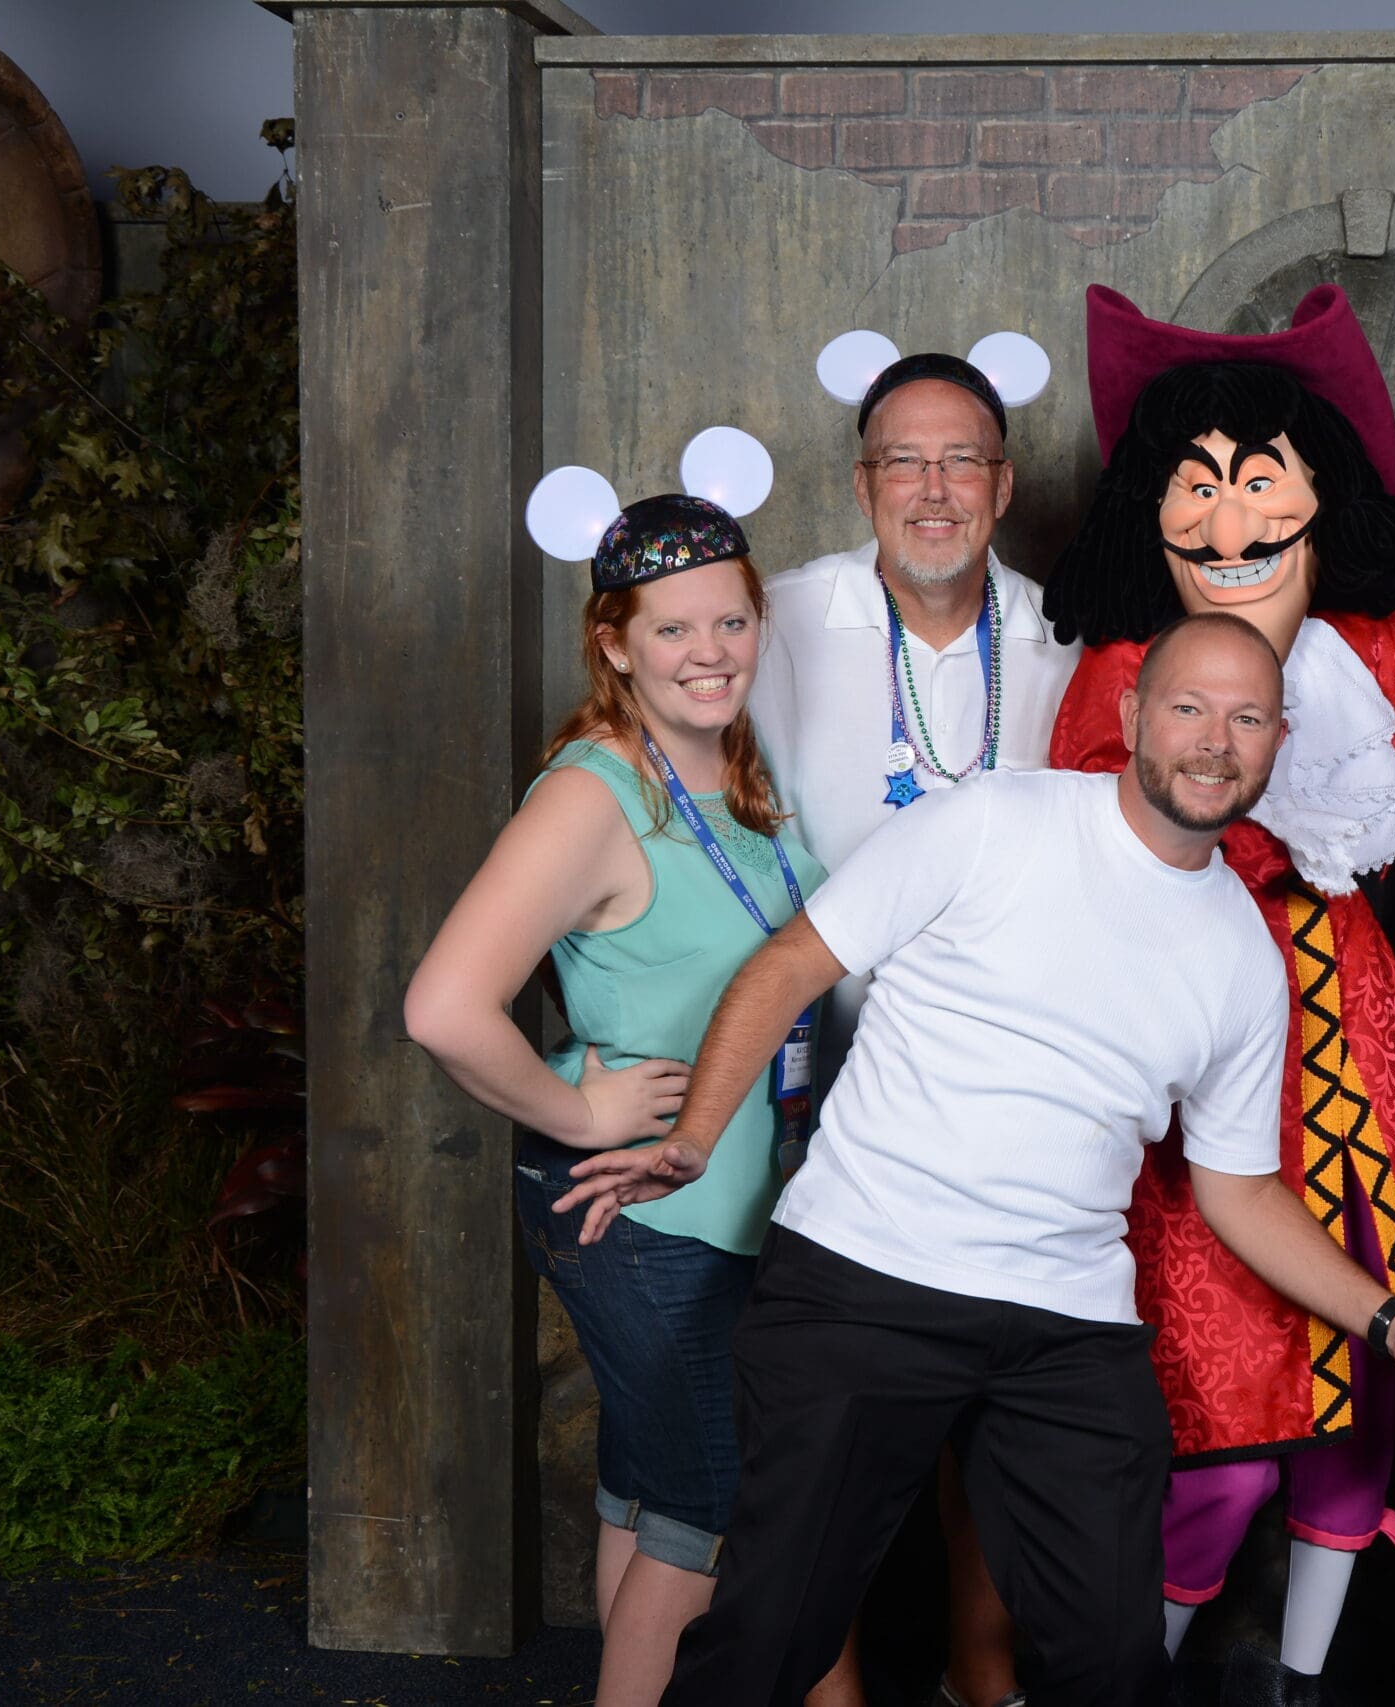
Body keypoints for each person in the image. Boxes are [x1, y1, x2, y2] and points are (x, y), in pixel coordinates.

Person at [554, 615, 1395, 1707]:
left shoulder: (1243, 961)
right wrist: (695, 1136)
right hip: (864, 1280)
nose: (1214, 740)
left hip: (1066, 1327)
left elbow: (1237, 1189)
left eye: (1246, 717)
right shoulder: (991, 820)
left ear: (1277, 742)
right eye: (1188, 707)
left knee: (1112, 1667)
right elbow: (793, 963)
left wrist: (1392, 1323)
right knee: (769, 1636)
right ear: (1129, 717)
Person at [1039, 284, 1395, 1704]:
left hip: (1361, 1048)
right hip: (1198, 1081)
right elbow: (1089, 875)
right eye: (1197, 485)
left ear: (1319, 496)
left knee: (1356, 1416)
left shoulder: (1386, 664)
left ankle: (1304, 1682)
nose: (1230, 519)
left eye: (1258, 483)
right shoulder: (1121, 676)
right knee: (1223, 1421)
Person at [401, 491, 827, 1707]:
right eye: (675, 630)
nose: (710, 654)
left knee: (647, 1488)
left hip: (721, 1204)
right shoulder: (594, 793)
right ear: (615, 643)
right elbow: (442, 1006)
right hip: (649, 1217)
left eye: (731, 623)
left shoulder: (726, 775)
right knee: (713, 1509)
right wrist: (578, 1113)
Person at [750, 349, 1081, 1707]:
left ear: (1003, 483)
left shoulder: (1070, 631)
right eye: (905, 460)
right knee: (819, 1417)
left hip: (1009, 1086)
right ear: (863, 481)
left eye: (961, 462)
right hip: (819, 1078)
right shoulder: (771, 620)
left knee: (986, 1414)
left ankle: (981, 1674)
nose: (933, 489)